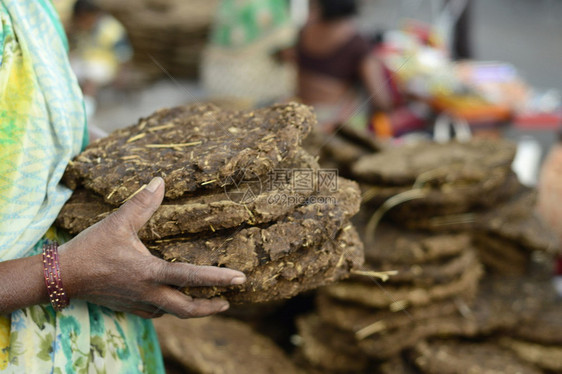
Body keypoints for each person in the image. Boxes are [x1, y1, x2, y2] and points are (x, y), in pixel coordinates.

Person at [0, 1, 245, 372]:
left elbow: (47, 124)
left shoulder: (26, 6)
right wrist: (65, 273)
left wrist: (123, 155)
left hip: (104, 331)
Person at [296, 0, 392, 132]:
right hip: (330, 121)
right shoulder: (357, 43)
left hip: (299, 108)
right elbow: (381, 101)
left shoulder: (305, 31)